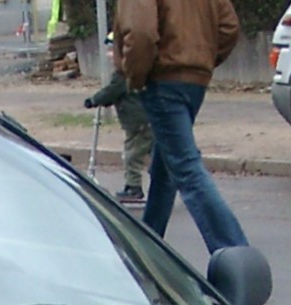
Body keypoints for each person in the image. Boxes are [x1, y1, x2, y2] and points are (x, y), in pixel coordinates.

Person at [112, 0, 249, 252]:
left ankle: (236, 254)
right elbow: (228, 26)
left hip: (162, 78)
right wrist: (203, 59)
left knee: (186, 168)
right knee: (166, 168)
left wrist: (135, 75)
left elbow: (140, 32)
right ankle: (148, 246)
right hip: (195, 79)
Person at [84, 59, 154, 205]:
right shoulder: (134, 69)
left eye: (112, 50)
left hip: (138, 122)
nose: (109, 55)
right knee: (152, 153)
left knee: (132, 155)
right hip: (142, 120)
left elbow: (111, 91)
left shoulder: (124, 73)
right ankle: (139, 185)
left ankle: (134, 188)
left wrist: (93, 100)